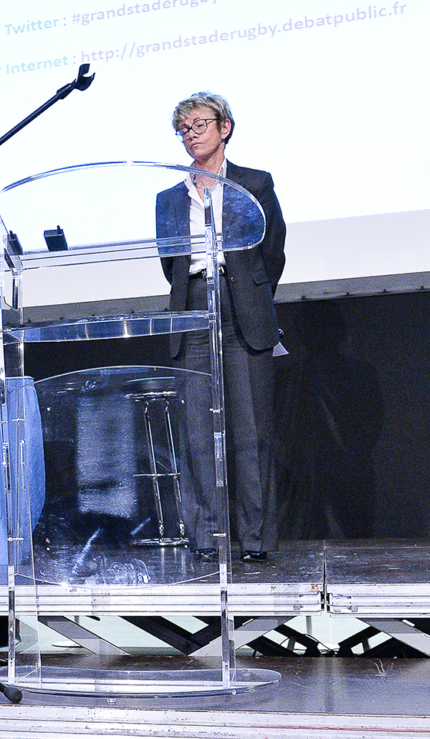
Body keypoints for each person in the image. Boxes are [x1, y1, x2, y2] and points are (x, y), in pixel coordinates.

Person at [155, 91, 285, 562]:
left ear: (224, 127)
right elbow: (169, 263)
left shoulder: (254, 183)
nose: (191, 135)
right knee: (196, 434)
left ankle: (255, 539)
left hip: (240, 308)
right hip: (191, 308)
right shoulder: (168, 198)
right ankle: (206, 537)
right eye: (183, 130)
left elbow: (273, 250)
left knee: (251, 434)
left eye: (199, 125)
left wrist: (248, 291)